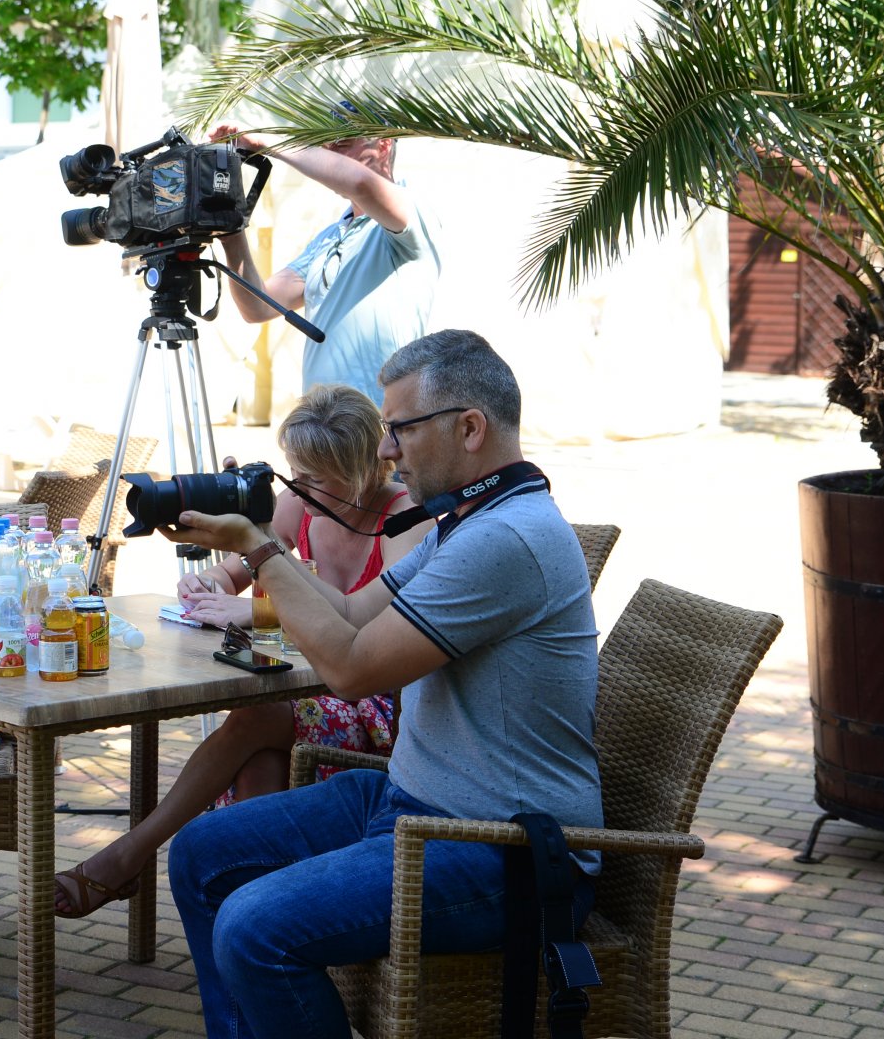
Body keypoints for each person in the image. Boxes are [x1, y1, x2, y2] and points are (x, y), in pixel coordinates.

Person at [159, 329, 603, 1039]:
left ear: (468, 428)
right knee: (202, 854)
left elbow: (350, 669)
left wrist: (259, 551)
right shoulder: (463, 523)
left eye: (400, 429)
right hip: (415, 805)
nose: (387, 449)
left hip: (501, 850)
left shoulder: (505, 539)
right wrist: (252, 539)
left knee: (253, 927)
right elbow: (348, 612)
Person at [53, 384, 434, 918]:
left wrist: (256, 610)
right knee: (261, 748)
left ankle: (130, 856)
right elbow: (238, 566)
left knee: (259, 719)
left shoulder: (405, 517)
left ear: (360, 472)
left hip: (383, 704)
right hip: (317, 686)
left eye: (313, 478)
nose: (296, 489)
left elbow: (365, 618)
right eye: (293, 474)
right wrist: (205, 584)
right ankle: (252, 910)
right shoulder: (303, 500)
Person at [210, 114, 440, 407]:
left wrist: (267, 140)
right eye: (325, 144)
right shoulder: (329, 237)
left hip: (381, 428)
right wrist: (231, 232)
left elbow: (360, 183)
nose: (329, 151)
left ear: (383, 146)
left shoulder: (412, 210)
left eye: (343, 142)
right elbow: (257, 306)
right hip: (320, 427)